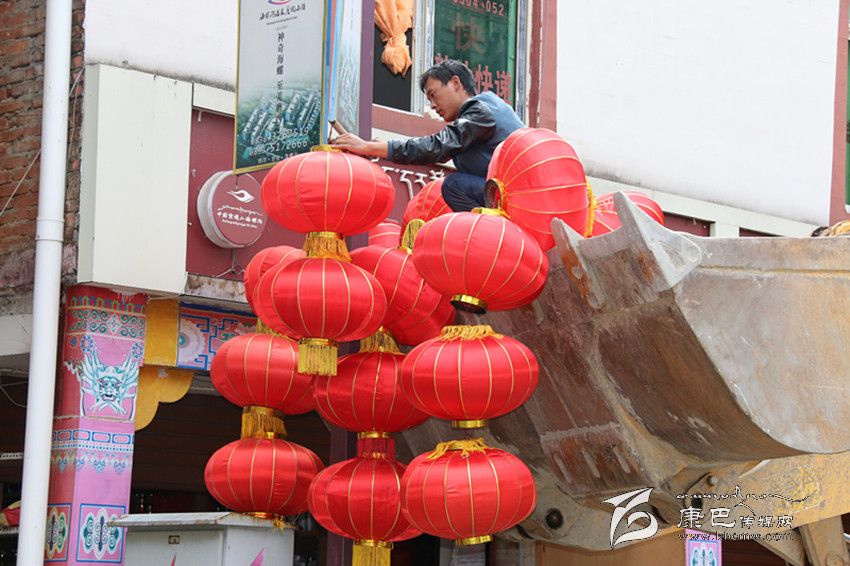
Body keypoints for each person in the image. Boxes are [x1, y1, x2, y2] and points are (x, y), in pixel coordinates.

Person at [330, 59, 525, 211]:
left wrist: (369, 147)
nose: (432, 105)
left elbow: (436, 147)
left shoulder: (480, 111)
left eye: (433, 94)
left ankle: (490, 236)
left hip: (514, 196)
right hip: (513, 193)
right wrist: (382, 147)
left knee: (454, 186)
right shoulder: (487, 109)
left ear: (455, 83)